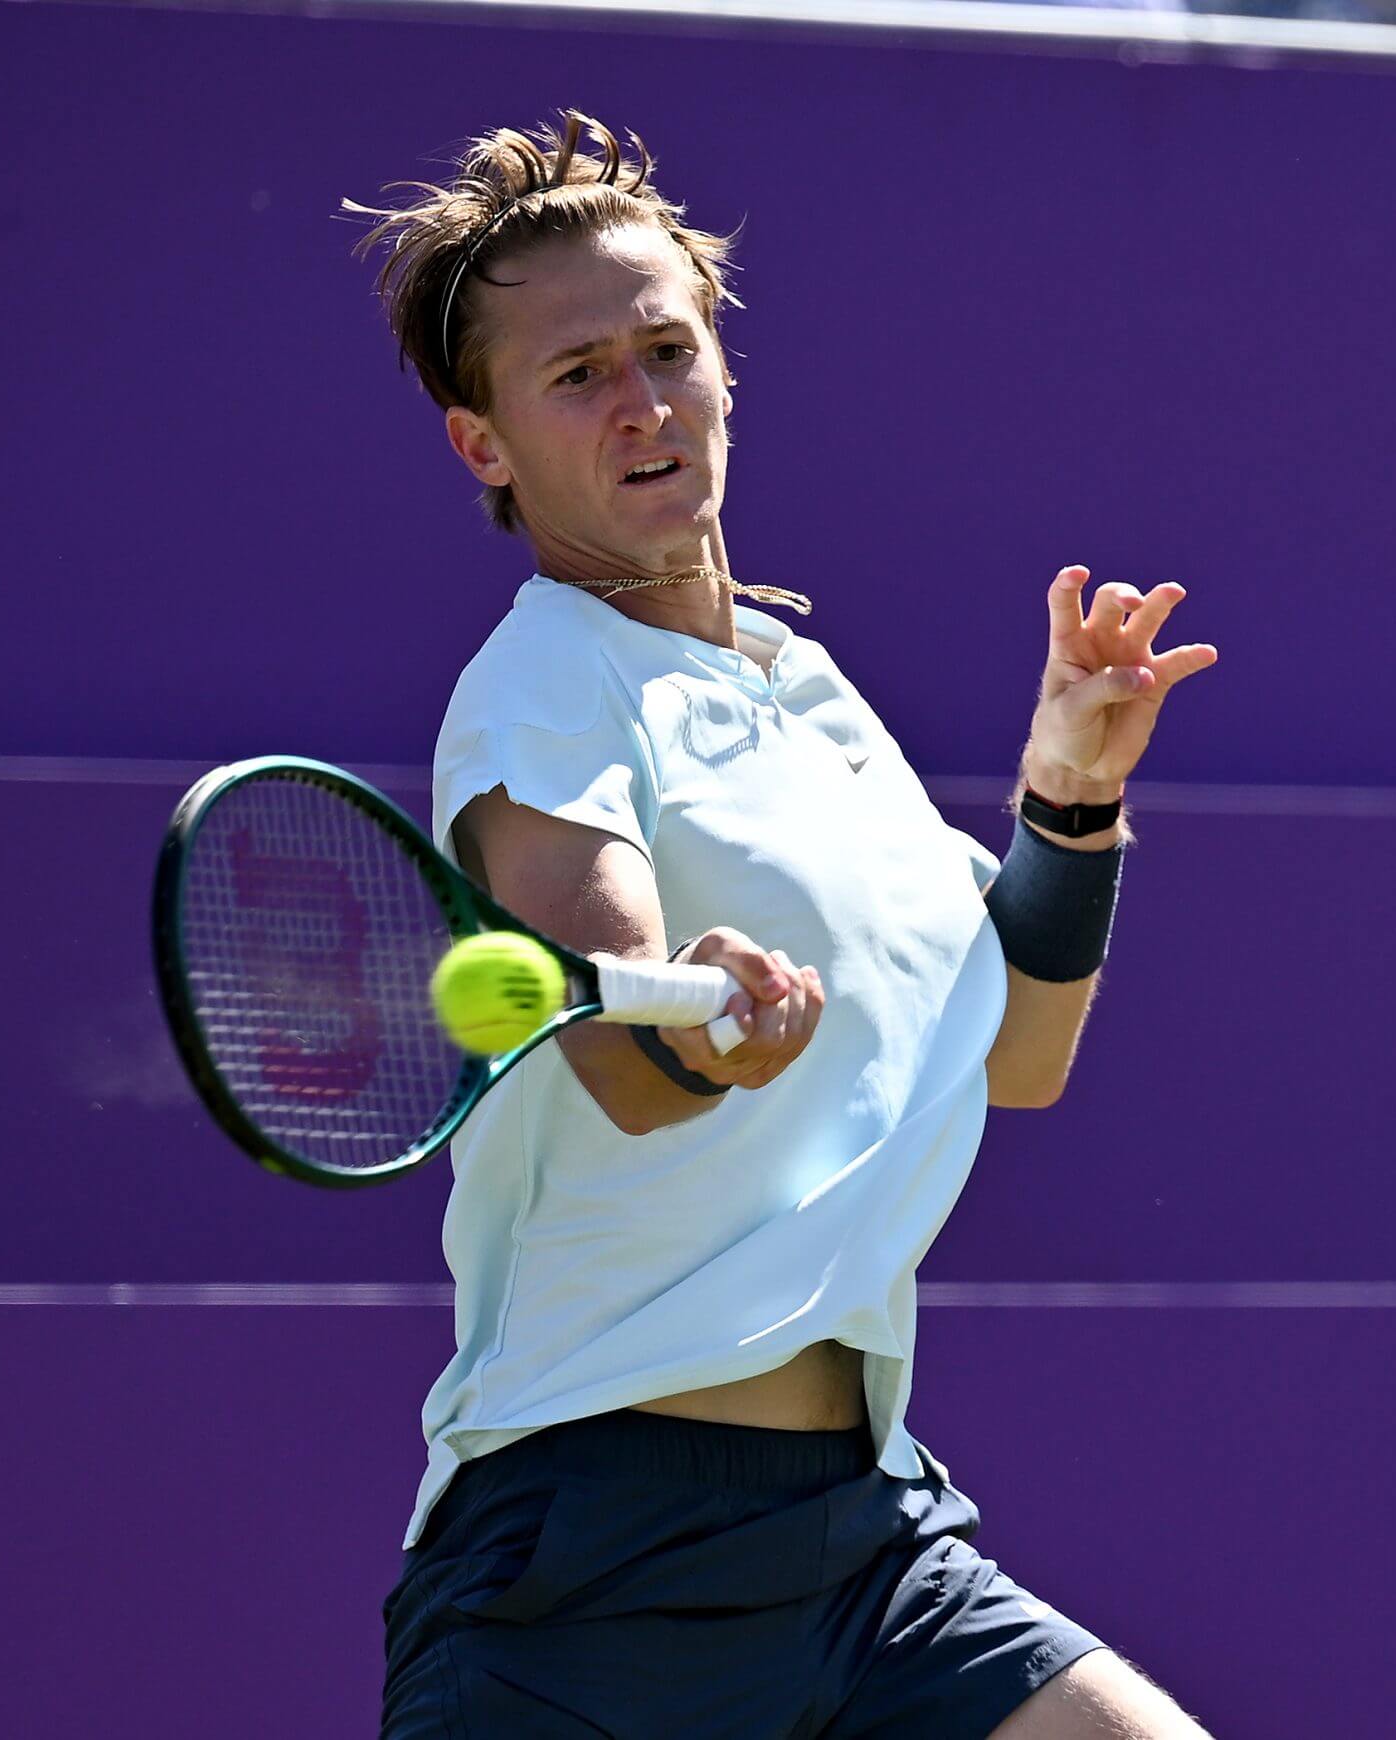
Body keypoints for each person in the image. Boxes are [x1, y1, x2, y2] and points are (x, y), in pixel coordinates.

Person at [346, 112, 1221, 1739]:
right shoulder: (543, 680)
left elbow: (1015, 1056)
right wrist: (701, 1013)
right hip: (587, 1569)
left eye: (667, 348)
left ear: (723, 362)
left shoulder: (809, 692)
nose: (643, 401)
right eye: (578, 374)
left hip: (861, 1538)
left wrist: (1067, 804)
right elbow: (631, 1058)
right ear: (486, 445)